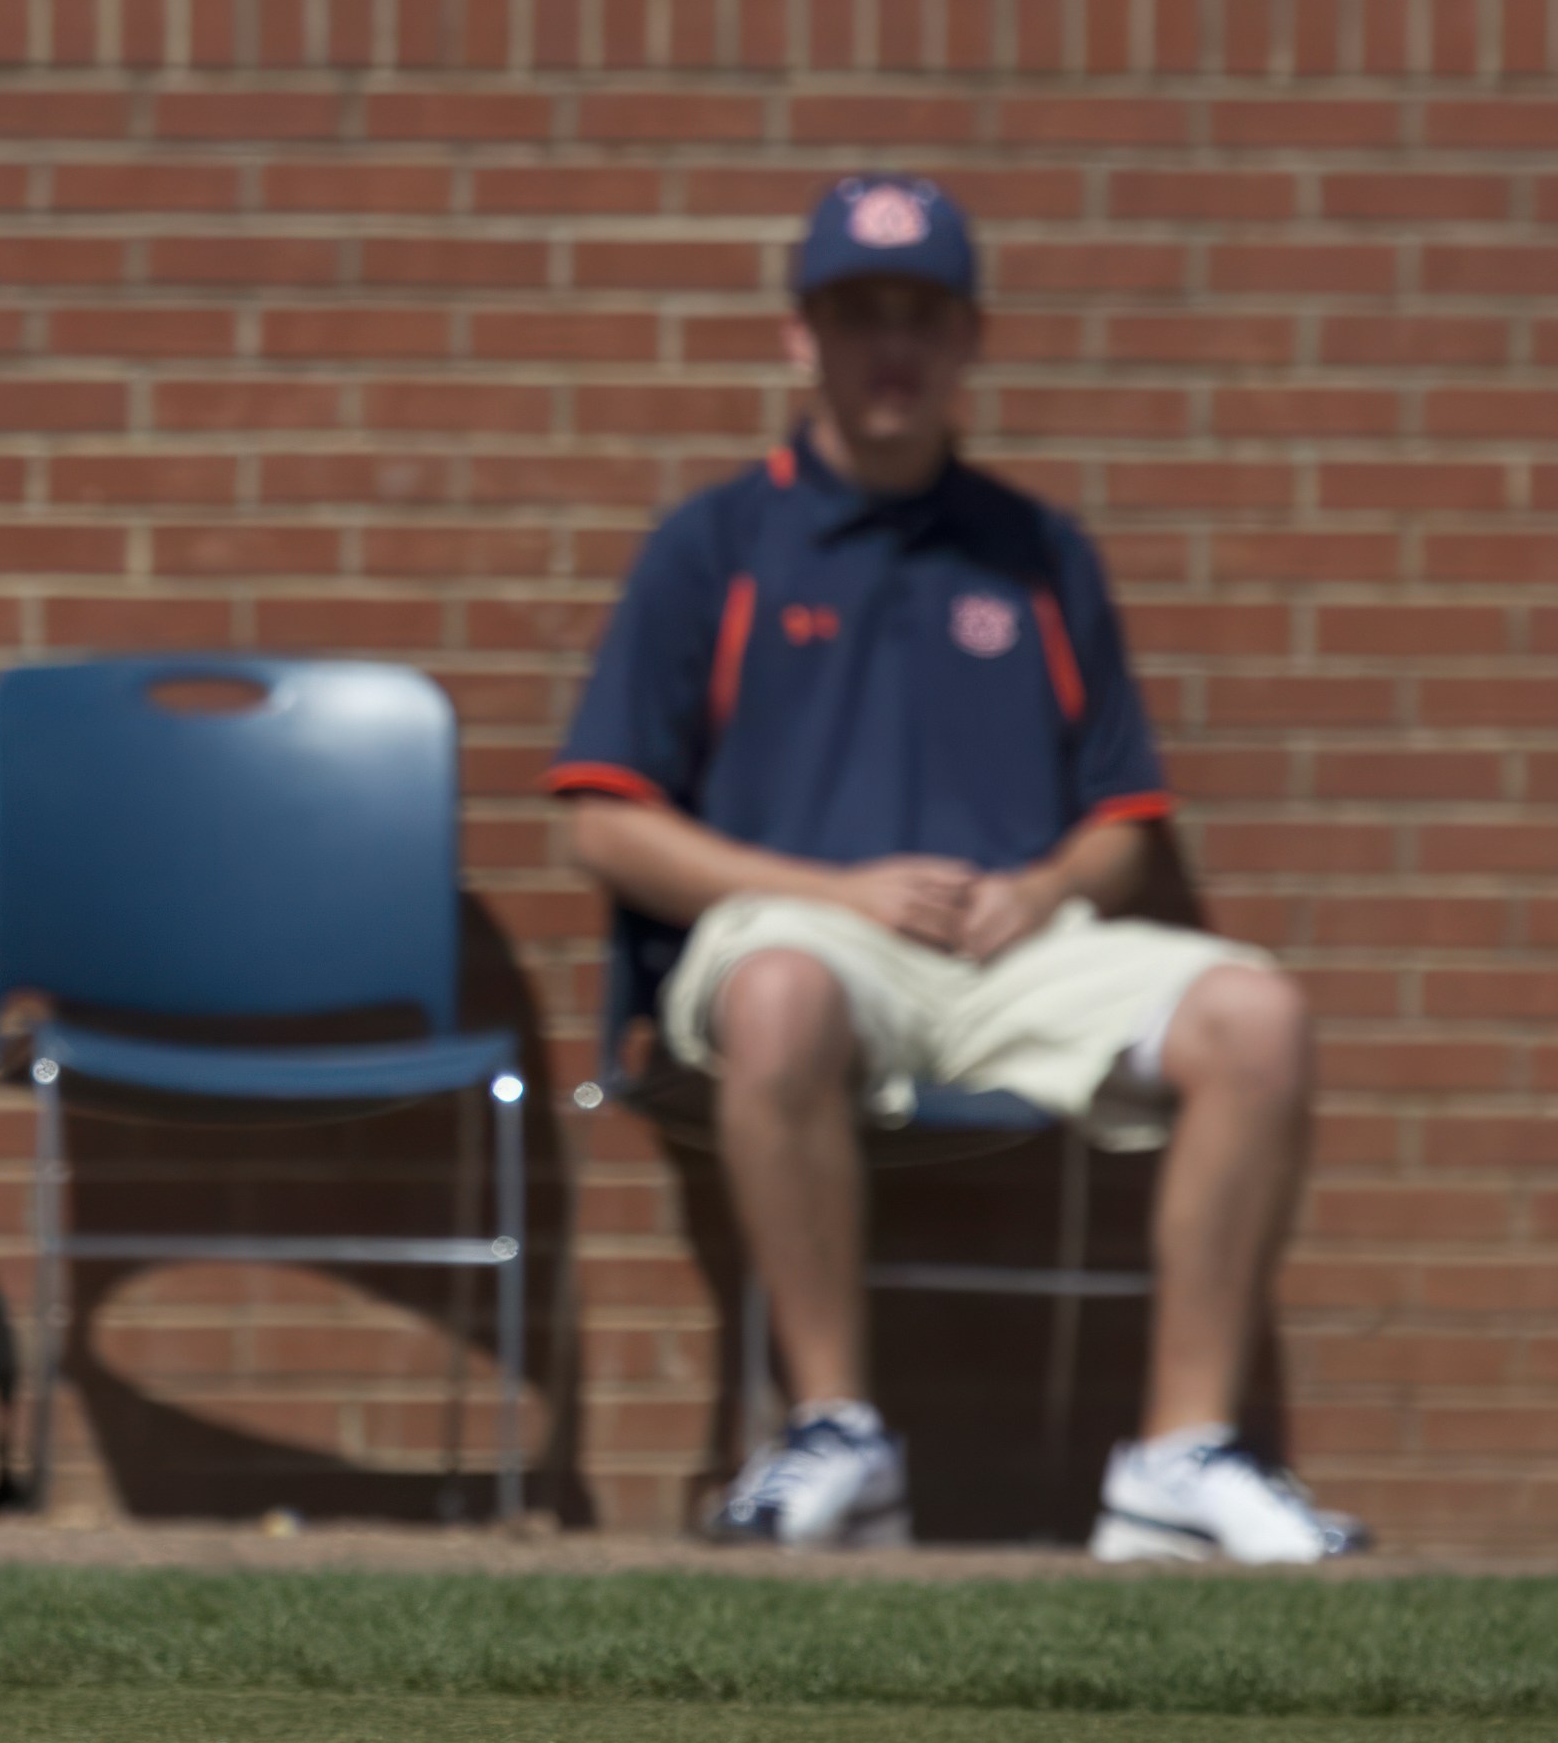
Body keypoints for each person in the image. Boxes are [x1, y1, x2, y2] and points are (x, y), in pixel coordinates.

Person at [545, 175, 1363, 1565]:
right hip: (808, 940)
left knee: (1261, 1016)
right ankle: (835, 1434)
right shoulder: (715, 545)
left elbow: (1125, 819)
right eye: (860, 315)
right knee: (785, 988)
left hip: (1014, 953)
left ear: (969, 339)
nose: (892, 348)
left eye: (922, 315)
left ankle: (1178, 1459)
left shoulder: (1040, 553)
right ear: (802, 335)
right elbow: (605, 817)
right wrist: (828, 888)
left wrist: (1045, 887)